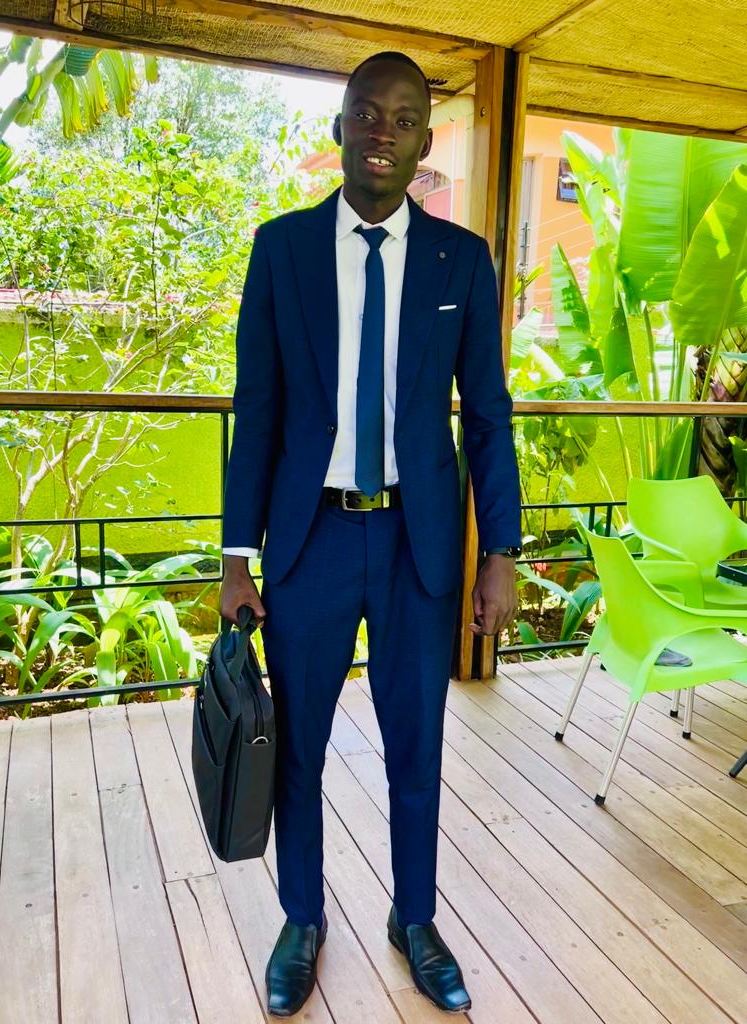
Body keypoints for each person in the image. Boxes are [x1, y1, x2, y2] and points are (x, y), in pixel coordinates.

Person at [219, 50, 521, 1017]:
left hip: (416, 548)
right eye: (365, 113)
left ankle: (415, 918)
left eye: (402, 118)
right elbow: (256, 407)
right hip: (309, 542)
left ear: (425, 142)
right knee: (300, 743)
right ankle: (301, 917)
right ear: (340, 128)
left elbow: (488, 418)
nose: (382, 130)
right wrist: (236, 554)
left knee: (416, 744)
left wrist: (502, 553)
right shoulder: (282, 250)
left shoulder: (460, 261)